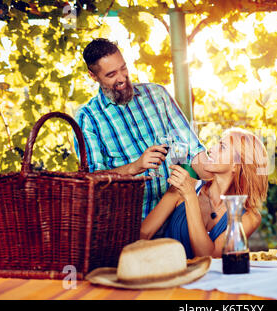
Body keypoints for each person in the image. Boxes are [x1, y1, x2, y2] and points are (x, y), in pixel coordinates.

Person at [74, 38, 212, 220]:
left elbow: (193, 150)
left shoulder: (157, 95)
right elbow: (93, 179)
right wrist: (135, 167)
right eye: (111, 74)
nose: (122, 78)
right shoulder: (88, 118)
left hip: (181, 212)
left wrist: (219, 177)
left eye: (123, 68)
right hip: (132, 223)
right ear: (93, 76)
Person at [140, 128, 269, 258]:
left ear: (236, 165)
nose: (211, 149)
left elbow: (210, 257)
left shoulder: (249, 217)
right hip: (167, 275)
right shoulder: (182, 187)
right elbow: (144, 233)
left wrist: (190, 196)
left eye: (222, 147)